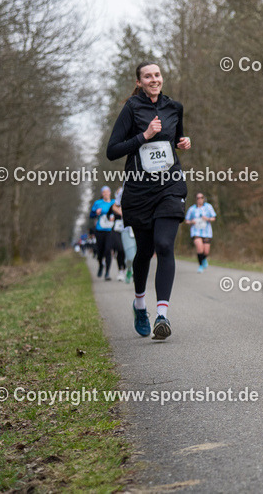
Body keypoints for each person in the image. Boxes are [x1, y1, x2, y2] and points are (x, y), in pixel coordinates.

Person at [106, 61, 191, 341]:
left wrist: (183, 142)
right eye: (147, 76)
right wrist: (144, 136)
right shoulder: (132, 108)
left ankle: (162, 314)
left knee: (165, 245)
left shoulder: (174, 107)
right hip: (139, 191)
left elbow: (176, 137)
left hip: (169, 185)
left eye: (157, 75)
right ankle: (140, 304)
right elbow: (113, 150)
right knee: (144, 251)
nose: (154, 79)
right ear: (139, 82)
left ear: (162, 78)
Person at [184, 192, 217, 273]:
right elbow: (186, 220)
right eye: (198, 198)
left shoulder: (208, 207)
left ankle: (204, 259)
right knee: (199, 248)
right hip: (196, 231)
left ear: (203, 198)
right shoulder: (192, 209)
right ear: (196, 199)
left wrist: (207, 219)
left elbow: (214, 218)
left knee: (206, 251)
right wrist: (192, 222)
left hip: (207, 232)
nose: (200, 199)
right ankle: (200, 265)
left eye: (201, 197)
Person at [89, 186, 117, 280]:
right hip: (100, 230)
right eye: (104, 192)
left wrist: (114, 216)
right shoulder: (98, 203)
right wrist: (96, 212)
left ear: (110, 193)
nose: (105, 193)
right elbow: (91, 215)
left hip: (110, 230)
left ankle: (107, 273)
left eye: (107, 192)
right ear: (102, 194)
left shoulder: (114, 202)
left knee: (108, 250)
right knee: (100, 252)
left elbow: (119, 213)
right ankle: (101, 265)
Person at [113, 186, 136, 283]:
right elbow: (115, 205)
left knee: (140, 255)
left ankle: (137, 274)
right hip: (127, 228)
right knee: (130, 257)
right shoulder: (123, 190)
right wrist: (121, 212)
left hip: (143, 226)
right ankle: (129, 269)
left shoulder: (148, 184)